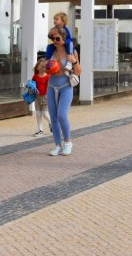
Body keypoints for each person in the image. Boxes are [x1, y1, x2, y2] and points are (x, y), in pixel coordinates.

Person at [45, 13, 81, 156]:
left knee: (61, 115)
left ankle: (67, 142)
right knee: (53, 117)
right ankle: (57, 145)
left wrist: (74, 61)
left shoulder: (71, 52)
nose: (55, 41)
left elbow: (78, 72)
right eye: (53, 38)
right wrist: (44, 68)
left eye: (58, 38)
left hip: (65, 87)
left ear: (64, 38)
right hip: (51, 87)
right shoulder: (51, 51)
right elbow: (45, 69)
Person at [24, 58, 51, 136]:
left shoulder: (48, 77)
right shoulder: (35, 76)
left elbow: (50, 87)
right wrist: (32, 89)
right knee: (38, 114)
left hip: (46, 97)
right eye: (41, 66)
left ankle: (52, 123)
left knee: (45, 113)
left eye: (44, 66)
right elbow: (32, 85)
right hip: (37, 97)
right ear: (37, 67)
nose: (43, 68)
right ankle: (40, 130)